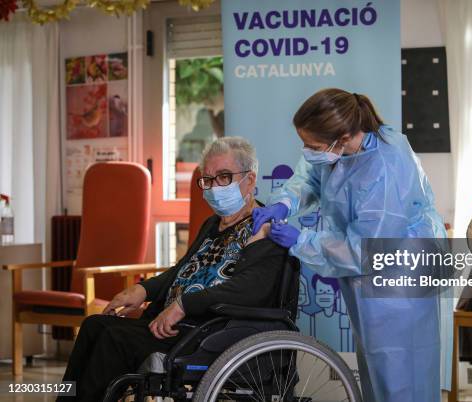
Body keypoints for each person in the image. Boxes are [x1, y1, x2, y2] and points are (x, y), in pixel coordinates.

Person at [252, 88, 447, 402]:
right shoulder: (340, 151)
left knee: (399, 369)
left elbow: (365, 249)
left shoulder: (385, 167)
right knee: (375, 362)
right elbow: (310, 177)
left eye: (312, 145)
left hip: (398, 276)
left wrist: (301, 240)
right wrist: (284, 204)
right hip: (369, 276)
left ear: (341, 137)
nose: (306, 151)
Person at [58, 137, 287, 402]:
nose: (214, 187)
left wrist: (183, 305)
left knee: (114, 339)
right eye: (208, 180)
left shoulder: (264, 229)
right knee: (93, 325)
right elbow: (182, 270)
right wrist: (142, 289)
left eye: (224, 177)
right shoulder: (213, 225)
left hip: (208, 330)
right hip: (174, 323)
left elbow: (250, 290)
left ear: (250, 179)